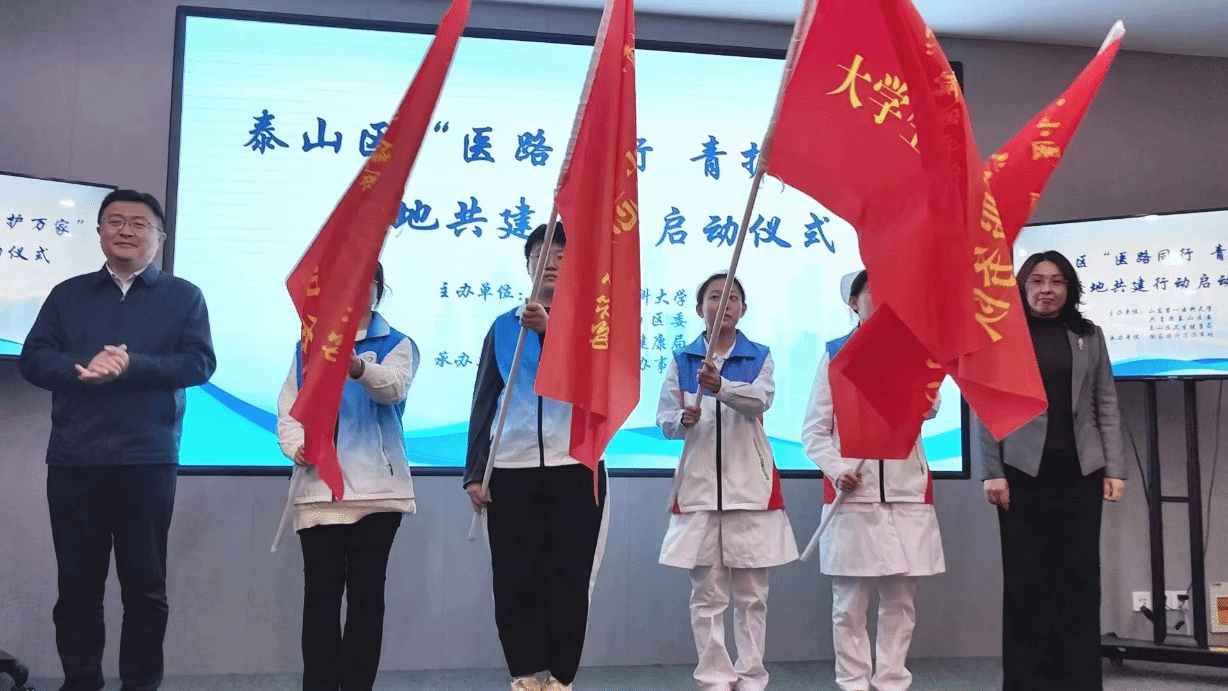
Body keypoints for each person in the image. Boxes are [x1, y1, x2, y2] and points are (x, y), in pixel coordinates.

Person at [18, 189, 216, 691]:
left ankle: (140, 685)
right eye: (115, 221)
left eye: (139, 223)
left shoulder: (184, 296)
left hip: (147, 460)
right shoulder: (68, 294)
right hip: (75, 460)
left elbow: (199, 363)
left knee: (145, 588)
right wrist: (81, 367)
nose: (126, 230)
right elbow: (33, 359)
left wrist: (132, 366)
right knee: (77, 587)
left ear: (160, 237)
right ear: (100, 231)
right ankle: (81, 682)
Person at [463, 223, 608, 691]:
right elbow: (484, 400)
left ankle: (561, 677)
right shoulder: (503, 327)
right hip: (512, 468)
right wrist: (474, 472)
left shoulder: (592, 326)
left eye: (562, 255)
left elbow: (597, 386)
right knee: (514, 575)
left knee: (570, 575)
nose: (551, 262)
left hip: (575, 466)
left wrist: (553, 331)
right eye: (541, 254)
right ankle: (524, 673)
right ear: (527, 265)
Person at [973, 251, 1126, 691]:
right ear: (1022, 287)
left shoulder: (1088, 336)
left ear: (1069, 288)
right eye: (1038, 281)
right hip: (1022, 474)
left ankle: (1079, 681)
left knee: (1080, 580)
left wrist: (1114, 468)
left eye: (1057, 281)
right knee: (1027, 582)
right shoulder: (1002, 337)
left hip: (1081, 473)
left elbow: (1105, 402)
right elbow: (986, 405)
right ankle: (1027, 682)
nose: (1047, 289)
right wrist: (992, 470)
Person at [276, 261, 420, 691]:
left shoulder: (397, 342)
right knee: (320, 603)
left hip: (378, 494)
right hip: (318, 492)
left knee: (365, 602)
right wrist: (295, 446)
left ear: (378, 289)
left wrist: (358, 368)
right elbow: (290, 408)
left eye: (365, 281)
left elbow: (393, 388)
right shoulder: (308, 346)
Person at [800, 270, 945, 691]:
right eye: (870, 290)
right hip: (854, 495)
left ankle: (892, 681)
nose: (881, 297)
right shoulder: (835, 355)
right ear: (853, 302)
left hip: (905, 492)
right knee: (849, 605)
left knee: (901, 601)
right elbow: (813, 431)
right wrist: (837, 468)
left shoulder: (915, 351)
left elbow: (931, 407)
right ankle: (853, 682)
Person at [657, 272, 798, 691]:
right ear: (700, 307)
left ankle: (751, 676)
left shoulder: (759, 356)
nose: (724, 304)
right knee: (707, 595)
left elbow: (760, 401)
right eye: (715, 297)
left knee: (752, 595)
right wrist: (680, 420)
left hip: (749, 490)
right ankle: (715, 677)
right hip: (699, 490)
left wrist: (720, 386)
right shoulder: (683, 360)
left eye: (732, 297)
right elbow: (664, 421)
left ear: (743, 309)